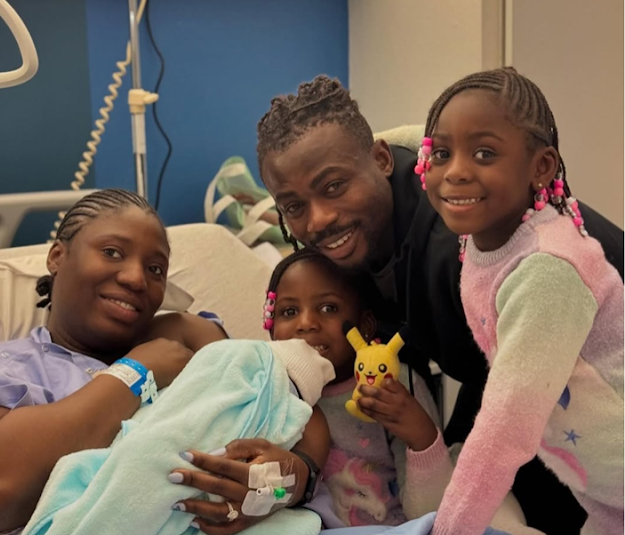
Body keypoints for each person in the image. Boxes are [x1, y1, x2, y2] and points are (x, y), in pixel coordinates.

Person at [255, 75, 624, 534]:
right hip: (526, 392)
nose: (319, 220)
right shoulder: (346, 250)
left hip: (586, 392)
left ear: (381, 160)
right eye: (293, 206)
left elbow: (507, 424)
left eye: (333, 187)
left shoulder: (467, 241)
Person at [0, 189, 328, 535]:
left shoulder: (186, 337)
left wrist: (293, 480)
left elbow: (287, 398)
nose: (136, 279)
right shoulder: (5, 368)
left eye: (155, 269)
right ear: (57, 256)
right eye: (112, 252)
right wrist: (135, 372)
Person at [417, 67, 623, 535]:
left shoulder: (548, 271)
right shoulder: (481, 243)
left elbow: (504, 431)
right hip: (606, 499)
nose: (456, 171)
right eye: (441, 153)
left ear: (541, 167)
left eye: (484, 153)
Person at [263, 247, 542, 534]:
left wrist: (421, 437)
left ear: (365, 326)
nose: (306, 323)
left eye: (328, 308)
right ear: (271, 329)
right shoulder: (266, 394)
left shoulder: (394, 392)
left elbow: (430, 513)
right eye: (289, 311)